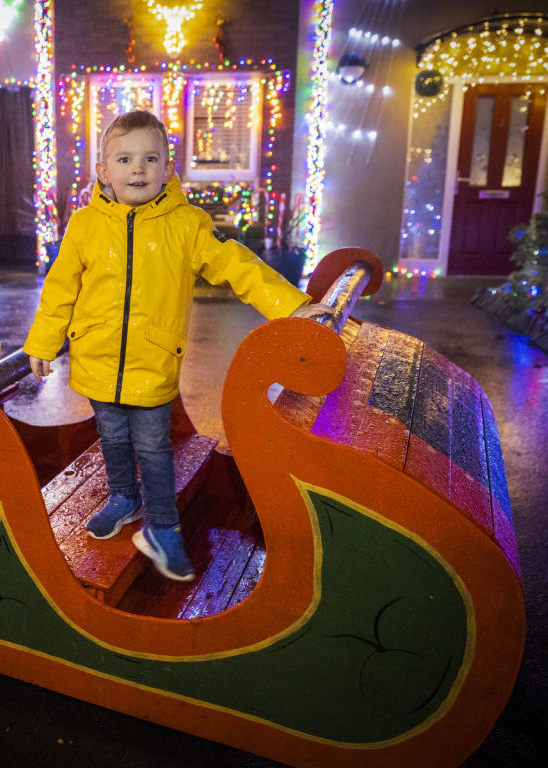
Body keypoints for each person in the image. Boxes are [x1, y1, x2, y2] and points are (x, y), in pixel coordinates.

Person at [23, 111, 331, 581]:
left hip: (153, 361)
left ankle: (163, 527)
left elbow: (235, 264)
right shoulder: (84, 226)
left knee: (153, 445)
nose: (139, 169)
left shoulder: (186, 225)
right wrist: (44, 343)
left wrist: (290, 305)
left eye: (151, 158)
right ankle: (124, 498)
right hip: (96, 359)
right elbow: (60, 289)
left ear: (168, 168)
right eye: (125, 159)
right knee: (113, 438)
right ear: (103, 172)